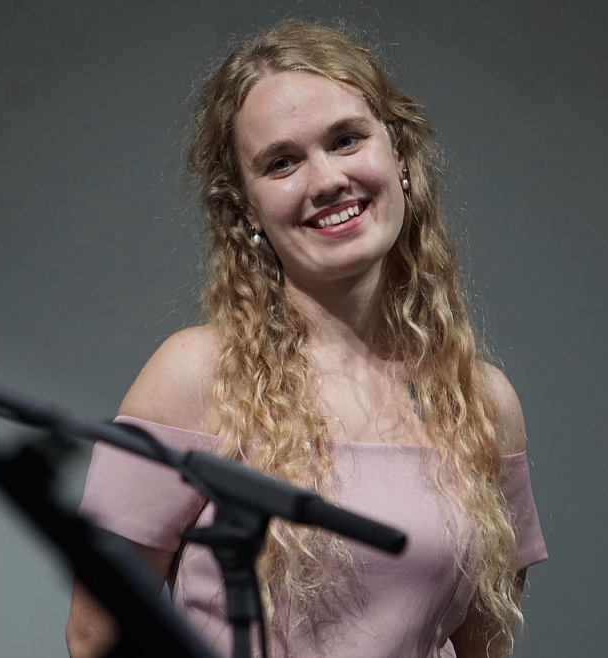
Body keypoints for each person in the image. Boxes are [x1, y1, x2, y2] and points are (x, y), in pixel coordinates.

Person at [65, 20, 547, 658]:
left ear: (399, 154)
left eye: (346, 140)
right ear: (247, 208)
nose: (326, 180)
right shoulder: (196, 375)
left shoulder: (480, 403)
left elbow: (485, 645)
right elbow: (94, 637)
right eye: (282, 163)